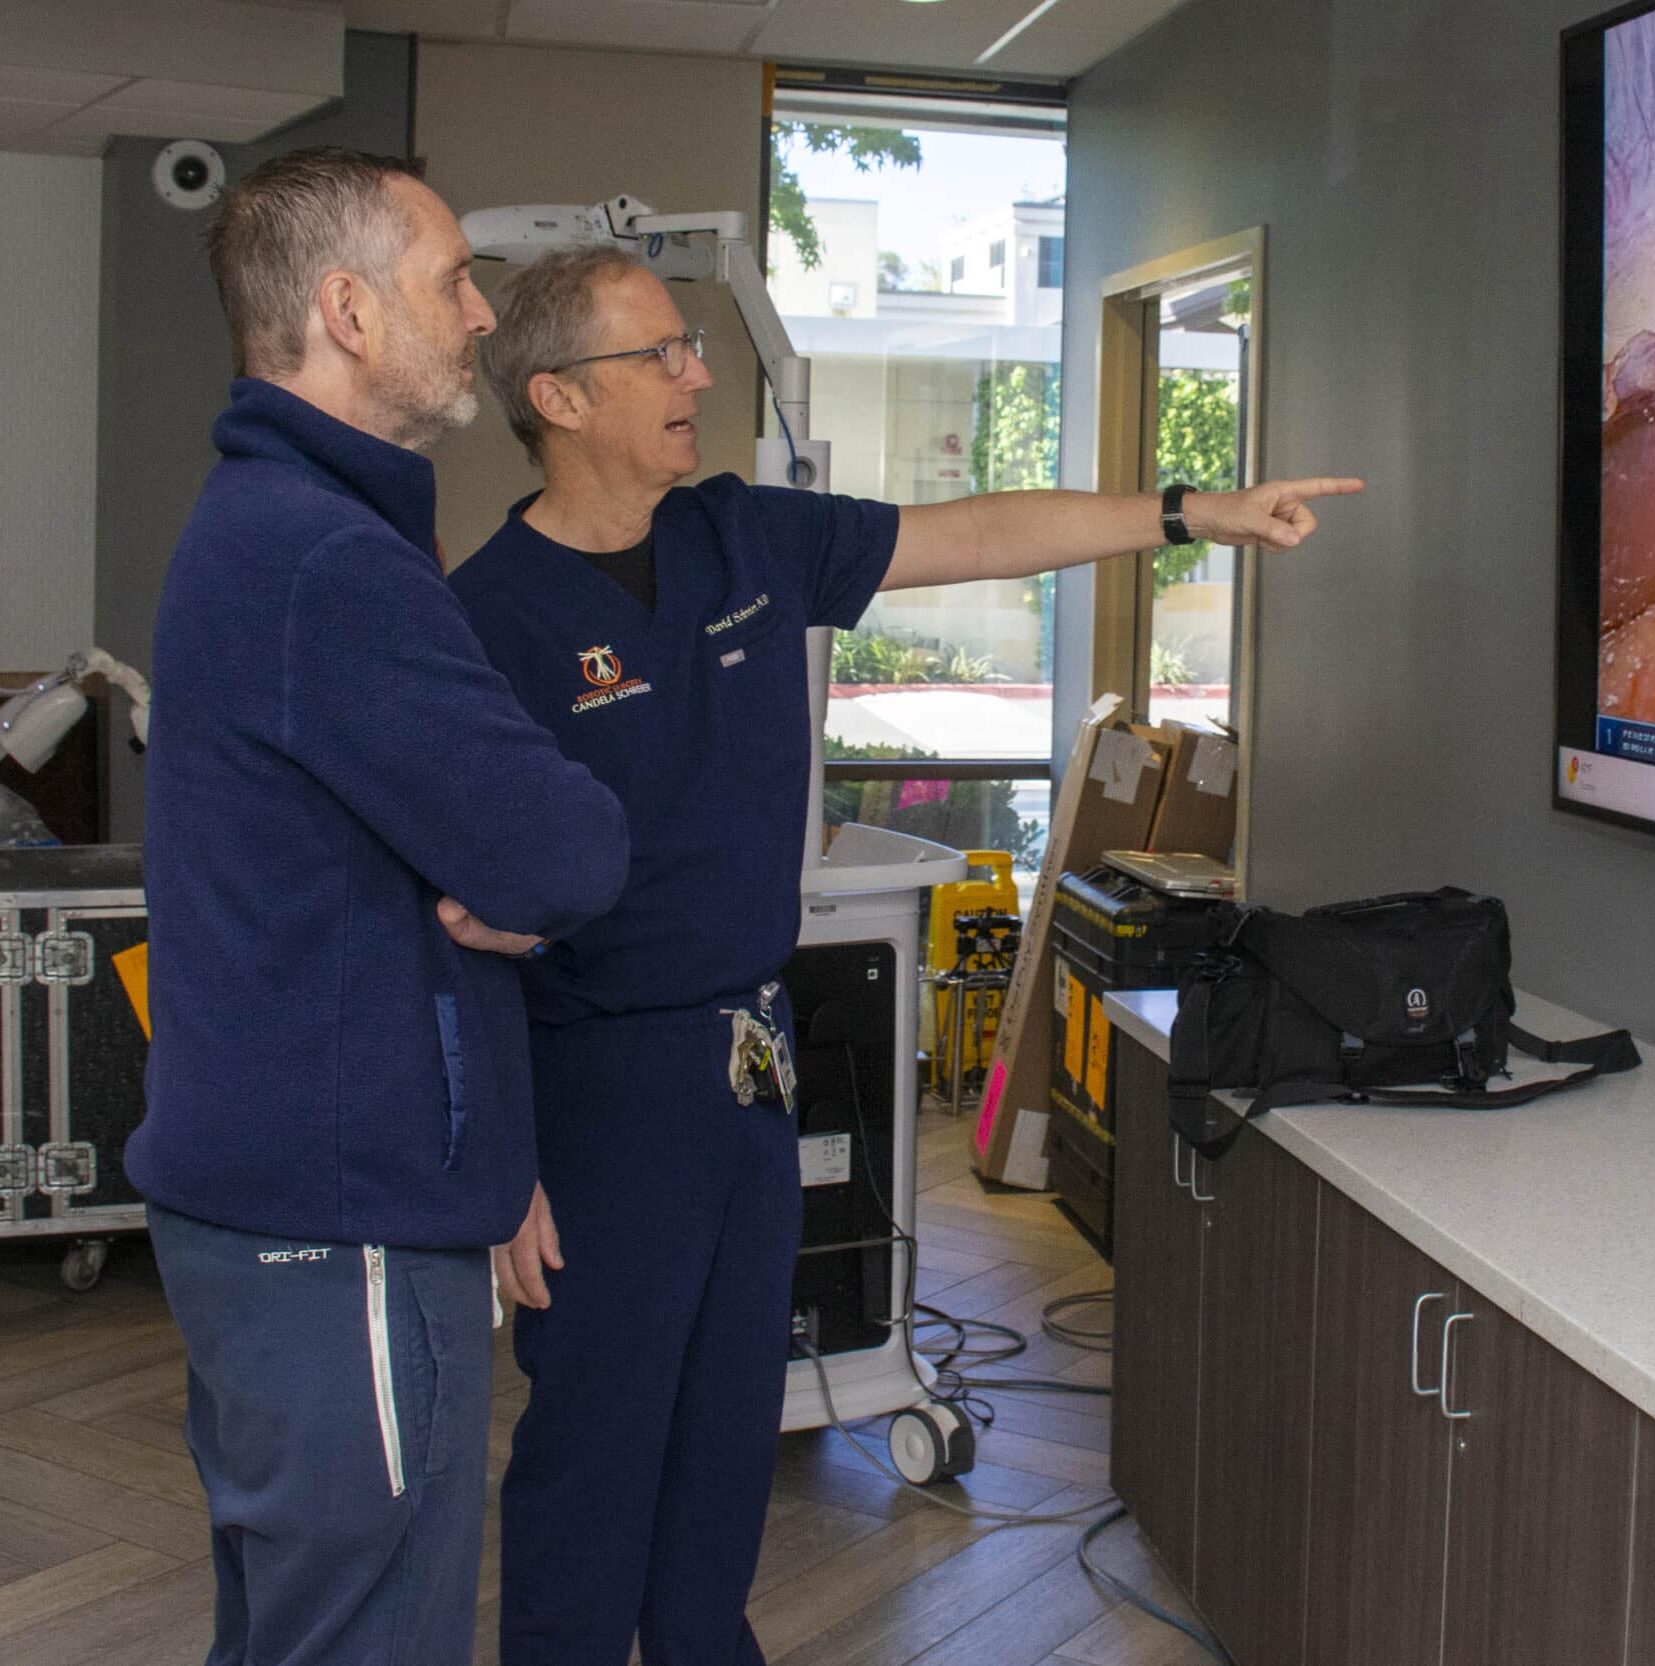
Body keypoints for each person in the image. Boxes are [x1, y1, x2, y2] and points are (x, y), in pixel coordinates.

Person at [452, 244, 1362, 1666]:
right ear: (557, 395)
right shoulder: (485, 615)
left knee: (723, 1432)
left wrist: (1193, 511)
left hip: (751, 1062)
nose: (698, 373)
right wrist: (499, 1165)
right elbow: (449, 928)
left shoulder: (743, 536)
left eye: (692, 344)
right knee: (593, 1451)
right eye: (661, 354)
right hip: (594, 1084)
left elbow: (977, 535)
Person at [126, 150, 631, 1666]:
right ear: (347, 311)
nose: (483, 316)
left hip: (295, 1207)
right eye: (451, 281)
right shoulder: (324, 557)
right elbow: (561, 849)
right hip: (332, 1226)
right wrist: (507, 872)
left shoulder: (279, 526)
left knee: (299, 1628)